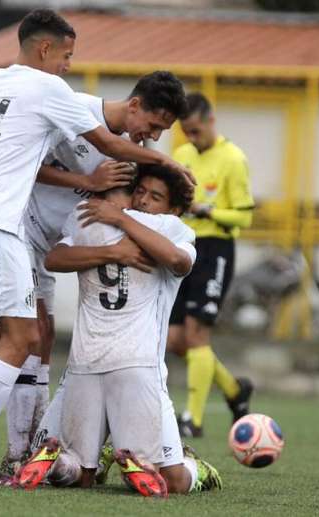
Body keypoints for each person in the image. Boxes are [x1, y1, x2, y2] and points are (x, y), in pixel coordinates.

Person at [0, 8, 193, 485]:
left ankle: (6, 449)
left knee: (10, 341)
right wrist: (161, 168)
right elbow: (108, 147)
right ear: (45, 48)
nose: (69, 65)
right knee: (24, 339)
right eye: (67, 54)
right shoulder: (57, 96)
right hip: (8, 228)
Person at [0, 70, 188, 473]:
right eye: (153, 126)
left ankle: (36, 444)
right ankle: (4, 448)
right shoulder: (77, 113)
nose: (153, 137)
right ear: (135, 105)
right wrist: (87, 185)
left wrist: (120, 224)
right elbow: (23, 164)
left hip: (135, 359)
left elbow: (177, 259)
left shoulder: (154, 213)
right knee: (26, 336)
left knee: (42, 336)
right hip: (26, 235)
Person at [17, 165, 222, 497]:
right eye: (140, 191)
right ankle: (157, 463)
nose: (143, 200)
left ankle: (192, 468)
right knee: (153, 481)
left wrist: (119, 219)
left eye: (155, 197)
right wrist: (115, 246)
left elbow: (177, 261)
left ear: (172, 209)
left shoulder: (145, 226)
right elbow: (55, 258)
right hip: (110, 365)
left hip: (116, 365)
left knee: (106, 477)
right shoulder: (155, 226)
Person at [168, 92, 255, 438]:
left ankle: (193, 419)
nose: (192, 138)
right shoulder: (181, 155)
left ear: (210, 121)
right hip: (183, 246)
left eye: (196, 130)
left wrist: (210, 211)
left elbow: (245, 218)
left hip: (216, 248)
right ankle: (235, 391)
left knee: (197, 334)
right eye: (186, 132)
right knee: (175, 340)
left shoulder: (233, 159)